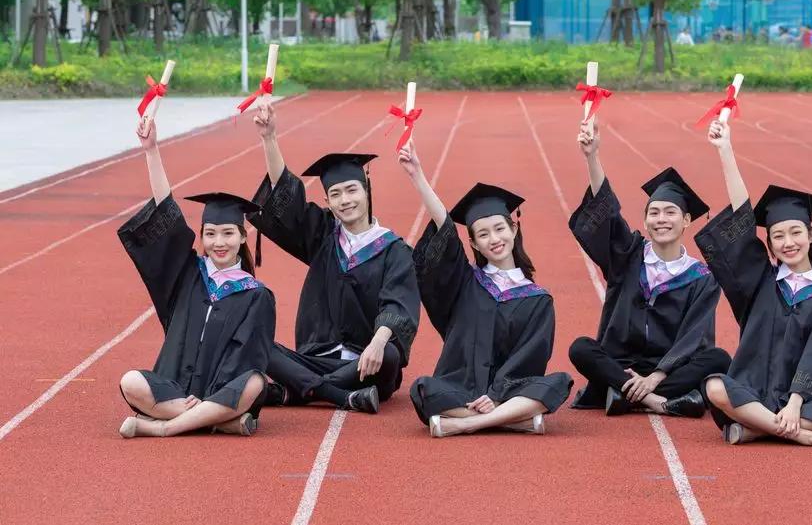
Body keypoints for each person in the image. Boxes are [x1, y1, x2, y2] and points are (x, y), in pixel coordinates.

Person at [698, 119, 812, 447]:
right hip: (754, 391)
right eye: (778, 235)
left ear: (810, 234)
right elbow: (742, 221)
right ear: (770, 243)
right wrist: (726, 150)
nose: (788, 242)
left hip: (805, 400)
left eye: (795, 232)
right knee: (715, 387)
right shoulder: (761, 281)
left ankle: (756, 429)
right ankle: (807, 437)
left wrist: (796, 400)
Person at [247, 103, 420, 414]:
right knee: (254, 340)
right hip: (319, 354)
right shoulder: (325, 236)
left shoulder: (394, 249)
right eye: (336, 194)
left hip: (368, 362)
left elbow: (399, 305)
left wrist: (378, 342)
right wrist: (269, 137)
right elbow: (288, 203)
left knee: (390, 355)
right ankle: (337, 394)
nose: (345, 200)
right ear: (326, 200)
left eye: (352, 190)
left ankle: (300, 389)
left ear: (367, 190)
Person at [399, 140, 573, 438]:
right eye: (483, 233)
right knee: (424, 389)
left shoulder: (537, 299)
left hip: (509, 391)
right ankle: (514, 420)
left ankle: (467, 423)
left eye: (499, 228)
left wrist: (496, 394)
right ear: (473, 244)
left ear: (513, 230)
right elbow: (445, 233)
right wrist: (418, 176)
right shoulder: (466, 283)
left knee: (558, 382)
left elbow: (530, 357)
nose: (494, 238)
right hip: (461, 387)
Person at [117, 118, 275, 438]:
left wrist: (214, 393)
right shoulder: (189, 274)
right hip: (177, 387)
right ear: (201, 236)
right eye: (211, 233)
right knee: (130, 381)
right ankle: (217, 421)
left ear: (244, 237)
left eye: (228, 233)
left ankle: (163, 428)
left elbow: (247, 357)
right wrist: (151, 151)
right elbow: (167, 214)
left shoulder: (256, 295)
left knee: (255, 383)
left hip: (222, 391)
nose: (219, 242)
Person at [567, 123, 730, 417]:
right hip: (620, 361)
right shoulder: (629, 256)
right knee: (580, 348)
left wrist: (657, 375)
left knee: (718, 359)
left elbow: (695, 335)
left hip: (667, 368)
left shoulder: (702, 278)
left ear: (687, 220)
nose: (661, 219)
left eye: (670, 212)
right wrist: (592, 157)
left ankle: (623, 393)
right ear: (644, 222)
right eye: (654, 213)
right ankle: (658, 402)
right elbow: (609, 216)